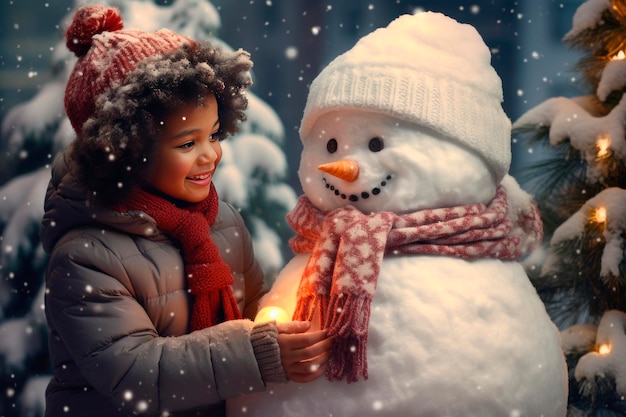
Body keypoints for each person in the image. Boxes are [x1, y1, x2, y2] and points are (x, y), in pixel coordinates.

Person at [40, 5, 331, 417]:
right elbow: (135, 374)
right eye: (186, 144)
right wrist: (258, 354)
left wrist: (288, 320)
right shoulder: (86, 254)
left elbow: (252, 309)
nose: (211, 155)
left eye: (214, 134)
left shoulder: (222, 222)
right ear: (126, 152)